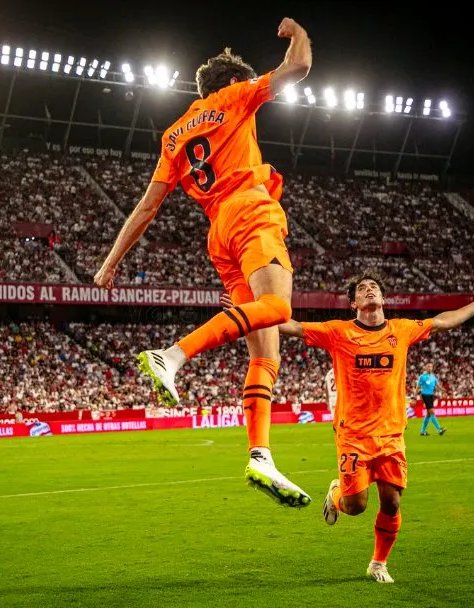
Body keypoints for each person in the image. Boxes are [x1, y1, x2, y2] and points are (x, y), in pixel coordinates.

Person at [94, 18, 312, 507]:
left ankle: (261, 455)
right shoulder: (235, 99)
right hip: (251, 210)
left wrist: (110, 263)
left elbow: (147, 208)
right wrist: (298, 29)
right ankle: (172, 356)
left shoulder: (173, 136)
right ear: (233, 82)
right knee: (277, 308)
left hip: (218, 232)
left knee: (266, 355)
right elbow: (298, 65)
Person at [277, 270, 474, 583]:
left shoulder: (402, 330)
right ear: (353, 303)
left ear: (382, 298)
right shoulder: (338, 332)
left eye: (374, 287)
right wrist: (249, 312)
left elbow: (440, 321)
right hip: (353, 435)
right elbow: (292, 327)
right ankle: (337, 493)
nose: (370, 290)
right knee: (355, 507)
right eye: (363, 289)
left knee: (392, 502)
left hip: (392, 435)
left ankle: (378, 563)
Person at [416, 363, 445, 435]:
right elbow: (418, 386)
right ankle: (439, 429)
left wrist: (443, 390)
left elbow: (437, 385)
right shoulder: (422, 377)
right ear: (425, 368)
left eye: (431, 367)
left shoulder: (433, 377)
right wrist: (416, 393)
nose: (430, 368)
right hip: (425, 395)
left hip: (431, 396)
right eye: (428, 366)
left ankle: (422, 431)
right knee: (432, 412)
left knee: (428, 414)